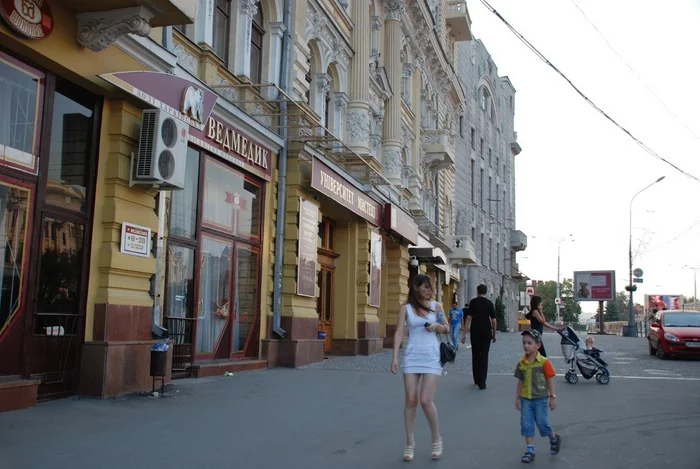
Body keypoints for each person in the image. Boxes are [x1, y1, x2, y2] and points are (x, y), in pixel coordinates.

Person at [391, 274, 449, 462]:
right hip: (412, 355)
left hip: (431, 355)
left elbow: (446, 327)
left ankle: (436, 438)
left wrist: (437, 326)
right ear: (416, 288)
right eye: (425, 287)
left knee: (425, 400)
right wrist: (395, 357)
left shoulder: (436, 306)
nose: (429, 290)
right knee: (411, 399)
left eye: (430, 287)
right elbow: (400, 331)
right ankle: (410, 443)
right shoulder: (405, 308)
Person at [514, 329, 562, 463]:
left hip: (540, 399)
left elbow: (550, 379)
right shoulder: (521, 363)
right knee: (526, 424)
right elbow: (521, 381)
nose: (526, 346)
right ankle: (530, 451)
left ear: (538, 345)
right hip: (525, 399)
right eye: (524, 343)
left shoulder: (544, 362)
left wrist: (552, 396)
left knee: (542, 423)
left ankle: (553, 438)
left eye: (529, 343)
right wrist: (517, 397)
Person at [461, 284, 496, 390]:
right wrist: (494, 334)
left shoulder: (473, 302)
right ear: (485, 292)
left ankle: (476, 379)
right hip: (486, 332)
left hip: (475, 331)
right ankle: (482, 383)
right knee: (484, 356)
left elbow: (468, 318)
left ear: (477, 291)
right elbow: (494, 321)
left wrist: (464, 334)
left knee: (475, 355)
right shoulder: (489, 303)